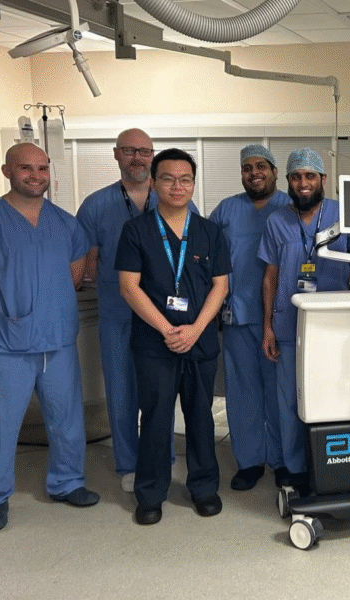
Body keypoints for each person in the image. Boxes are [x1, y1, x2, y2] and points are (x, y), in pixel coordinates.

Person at [0, 142, 99, 533]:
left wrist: (46, 304)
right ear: (7, 171)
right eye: (26, 168)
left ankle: (68, 482)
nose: (36, 176)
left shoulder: (65, 222)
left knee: (66, 419)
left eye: (42, 168)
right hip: (4, 343)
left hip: (57, 339)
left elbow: (76, 272)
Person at [259, 148, 350, 493]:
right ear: (288, 181)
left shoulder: (341, 214)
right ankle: (295, 469)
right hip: (289, 325)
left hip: (335, 328)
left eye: (310, 176)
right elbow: (270, 278)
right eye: (296, 177)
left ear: (323, 179)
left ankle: (334, 465)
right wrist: (267, 327)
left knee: (335, 396)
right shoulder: (276, 221)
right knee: (291, 400)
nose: (303, 183)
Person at [115, 148, 230, 525]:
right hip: (155, 345)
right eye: (167, 178)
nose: (177, 186)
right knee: (155, 419)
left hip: (200, 341)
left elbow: (220, 285)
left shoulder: (210, 232)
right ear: (153, 182)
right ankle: (150, 493)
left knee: (200, 418)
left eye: (185, 179)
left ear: (193, 184)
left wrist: (195, 330)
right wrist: (167, 330)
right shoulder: (136, 231)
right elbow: (129, 287)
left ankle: (204, 487)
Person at [77, 128, 159, 493]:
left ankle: (160, 455)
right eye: (129, 150)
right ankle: (128, 462)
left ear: (152, 155)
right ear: (116, 154)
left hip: (162, 315)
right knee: (121, 391)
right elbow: (87, 264)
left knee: (159, 390)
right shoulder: (95, 206)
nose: (137, 157)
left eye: (144, 151)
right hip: (117, 313)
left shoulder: (172, 198)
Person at [209, 144, 290, 491]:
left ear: (274, 172)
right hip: (238, 314)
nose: (254, 173)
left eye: (261, 166)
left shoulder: (290, 206)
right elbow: (207, 254)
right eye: (247, 168)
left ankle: (284, 460)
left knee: (280, 392)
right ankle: (250, 461)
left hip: (282, 318)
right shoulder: (226, 210)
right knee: (243, 392)